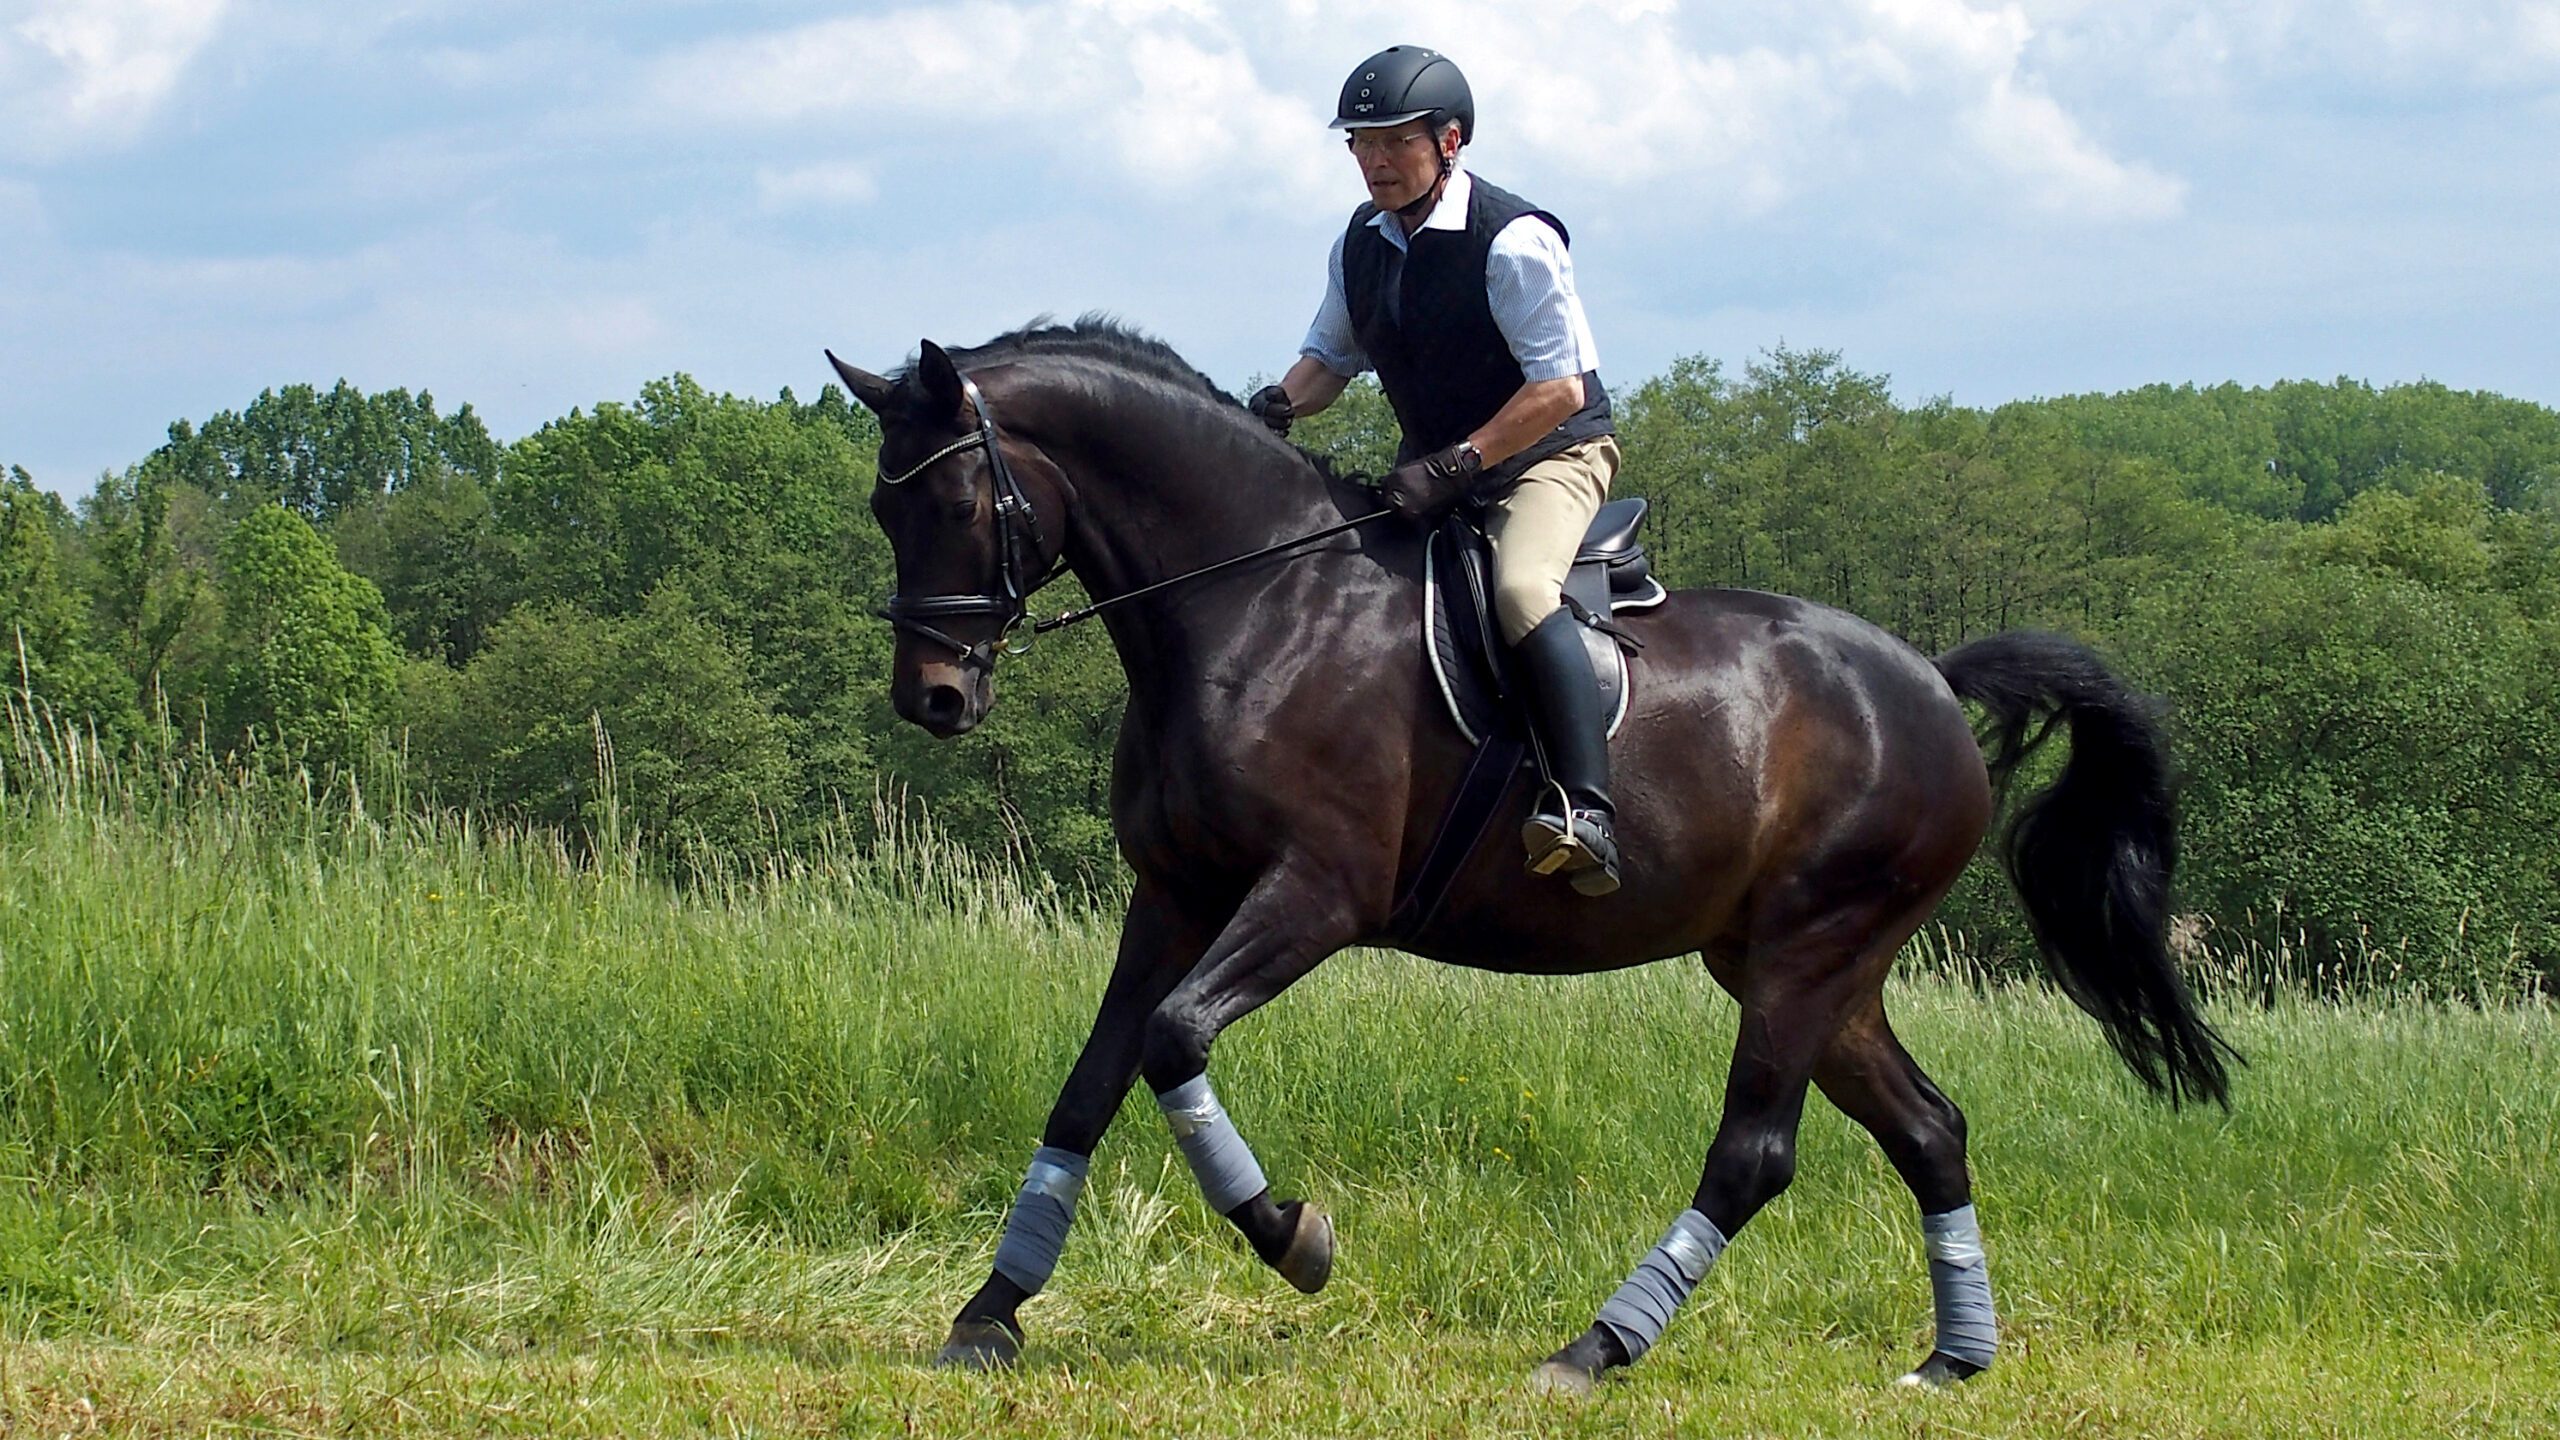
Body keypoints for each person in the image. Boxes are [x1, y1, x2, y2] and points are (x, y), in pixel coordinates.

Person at [1250, 45, 1625, 897]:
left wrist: (1458, 461)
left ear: (1449, 142)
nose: (1373, 161)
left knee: (1523, 592)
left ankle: (1588, 809)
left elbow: (1559, 387)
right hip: (1439, 471)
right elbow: (1328, 362)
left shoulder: (1513, 239)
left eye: (1394, 142)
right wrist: (1272, 405)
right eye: (1360, 145)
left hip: (1547, 458)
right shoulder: (1363, 240)